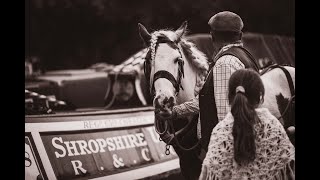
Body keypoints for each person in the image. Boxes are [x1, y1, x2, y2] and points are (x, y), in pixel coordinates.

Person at [172, 11, 260, 158]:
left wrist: (220, 154)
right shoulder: (246, 56)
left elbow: (225, 116)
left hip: (228, 151)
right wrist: (177, 111)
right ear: (240, 36)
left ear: (212, 36)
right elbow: (208, 100)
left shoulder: (224, 63)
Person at [198, 69, 295, 180]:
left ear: (230, 97)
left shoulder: (219, 132)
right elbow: (289, 172)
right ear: (260, 97)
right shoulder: (273, 125)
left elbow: (208, 175)